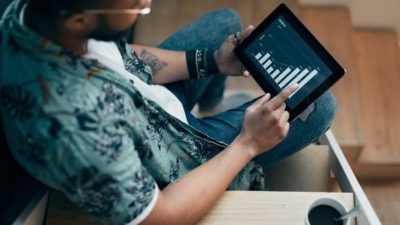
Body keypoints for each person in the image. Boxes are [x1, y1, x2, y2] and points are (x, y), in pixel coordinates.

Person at [0, 0, 337, 224]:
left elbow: (119, 58)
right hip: (169, 167)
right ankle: (217, 132)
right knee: (320, 107)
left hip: (146, 111)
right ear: (79, 20)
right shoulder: (77, 133)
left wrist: (210, 62)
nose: (145, 3)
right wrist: (247, 144)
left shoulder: (28, 15)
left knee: (225, 22)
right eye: (136, 5)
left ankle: (211, 108)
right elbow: (163, 217)